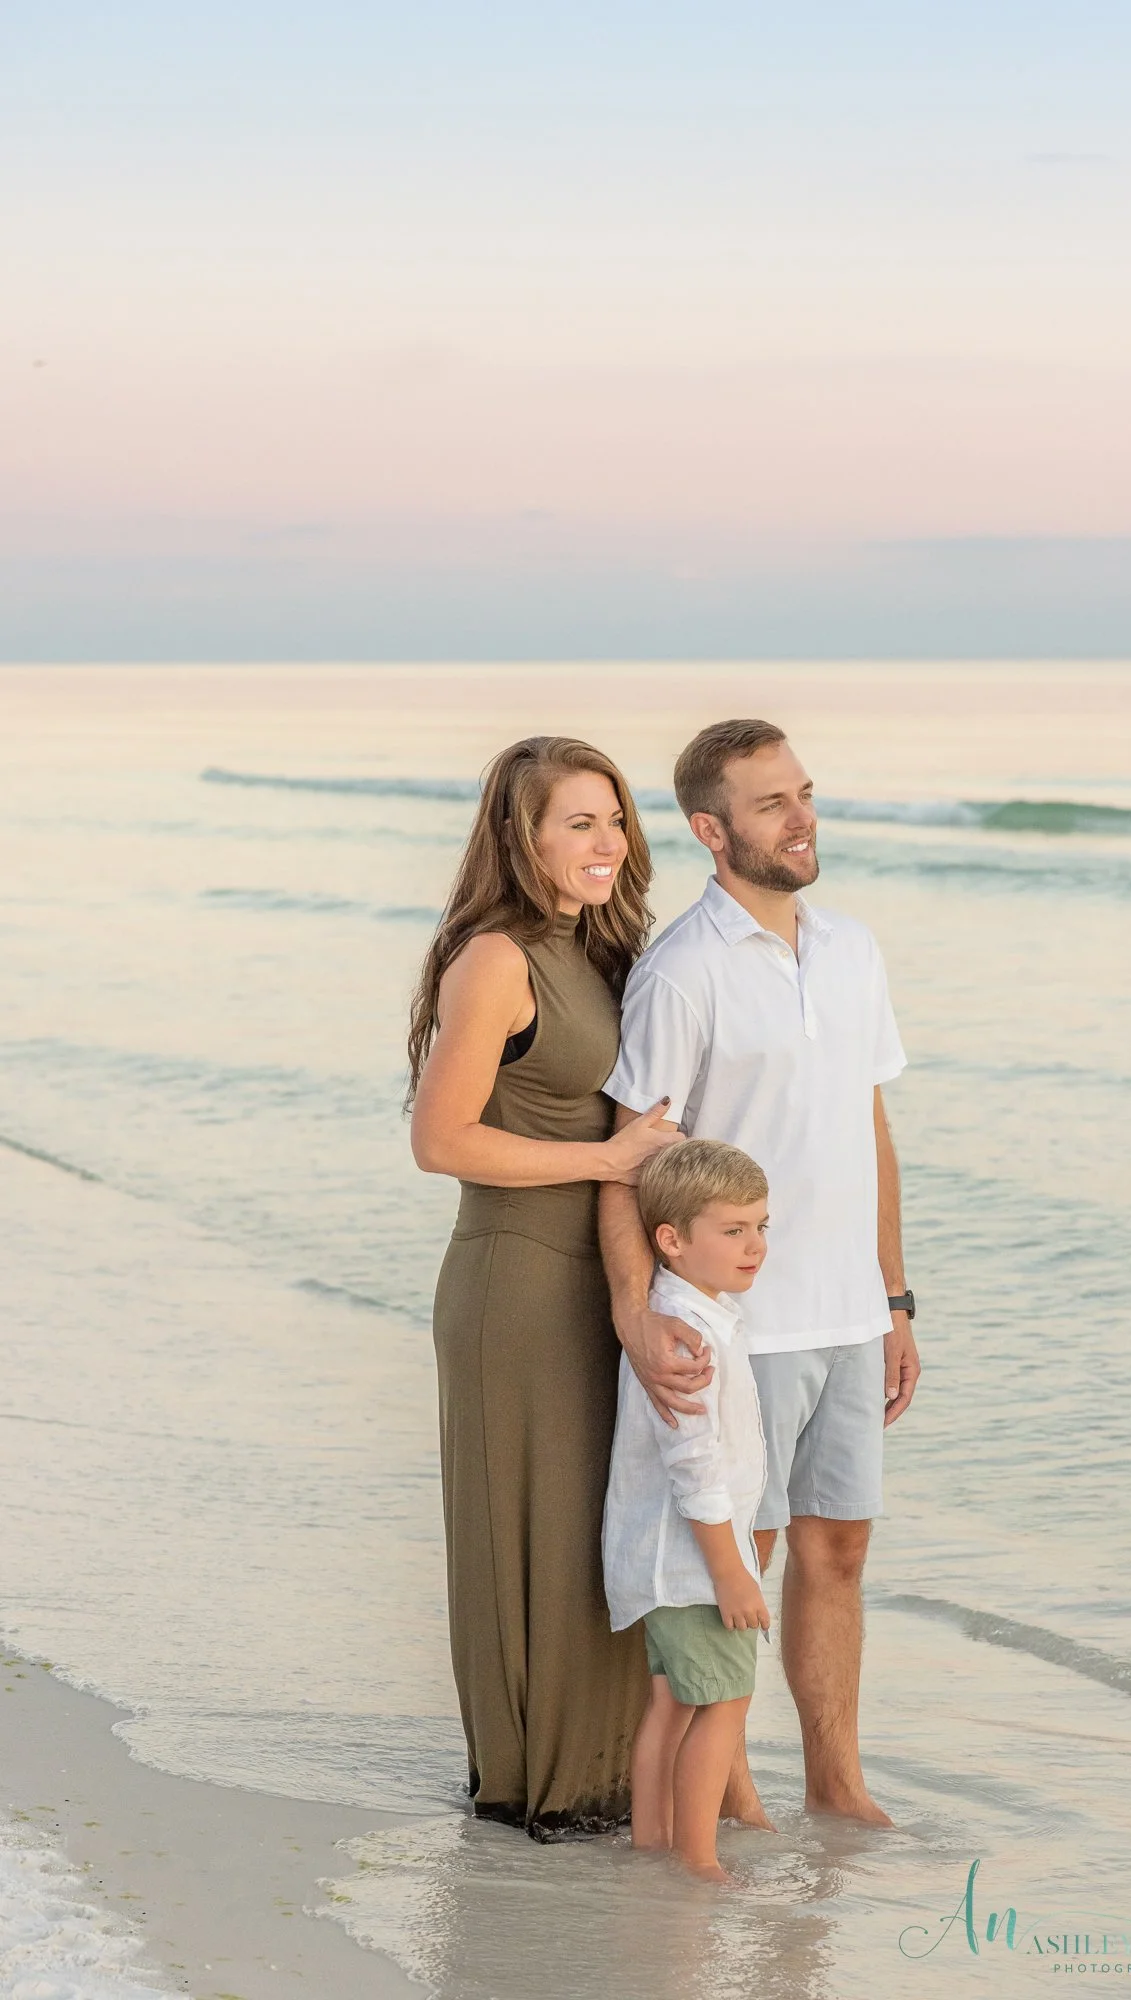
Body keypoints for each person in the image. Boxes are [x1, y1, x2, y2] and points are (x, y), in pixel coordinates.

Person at [600, 717, 921, 1829]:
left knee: (835, 1550)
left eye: (804, 793)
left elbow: (865, 1127)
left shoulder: (849, 948)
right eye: (772, 802)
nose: (801, 816)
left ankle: (835, 1782)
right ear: (710, 828)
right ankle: (727, 1799)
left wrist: (892, 1298)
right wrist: (638, 1316)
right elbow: (627, 1162)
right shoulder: (679, 972)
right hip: (738, 1330)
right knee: (740, 1553)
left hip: (843, 1310)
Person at [407, 735, 681, 1840]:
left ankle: (603, 1774)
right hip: (513, 1282)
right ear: (520, 836)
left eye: (613, 817)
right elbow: (440, 1138)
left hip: (601, 1278)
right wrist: (606, 1162)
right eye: (577, 821)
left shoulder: (606, 949)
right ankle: (529, 1782)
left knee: (597, 1531)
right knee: (524, 1528)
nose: (605, 841)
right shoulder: (496, 957)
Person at [602, 1139, 773, 1883]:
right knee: (725, 1704)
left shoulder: (691, 1315)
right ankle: (698, 1860)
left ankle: (654, 1844)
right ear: (671, 1240)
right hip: (696, 1565)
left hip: (663, 1563)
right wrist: (733, 1572)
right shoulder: (687, 1335)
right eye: (733, 1230)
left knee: (671, 1705)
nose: (755, 1245)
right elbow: (695, 1467)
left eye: (763, 1226)